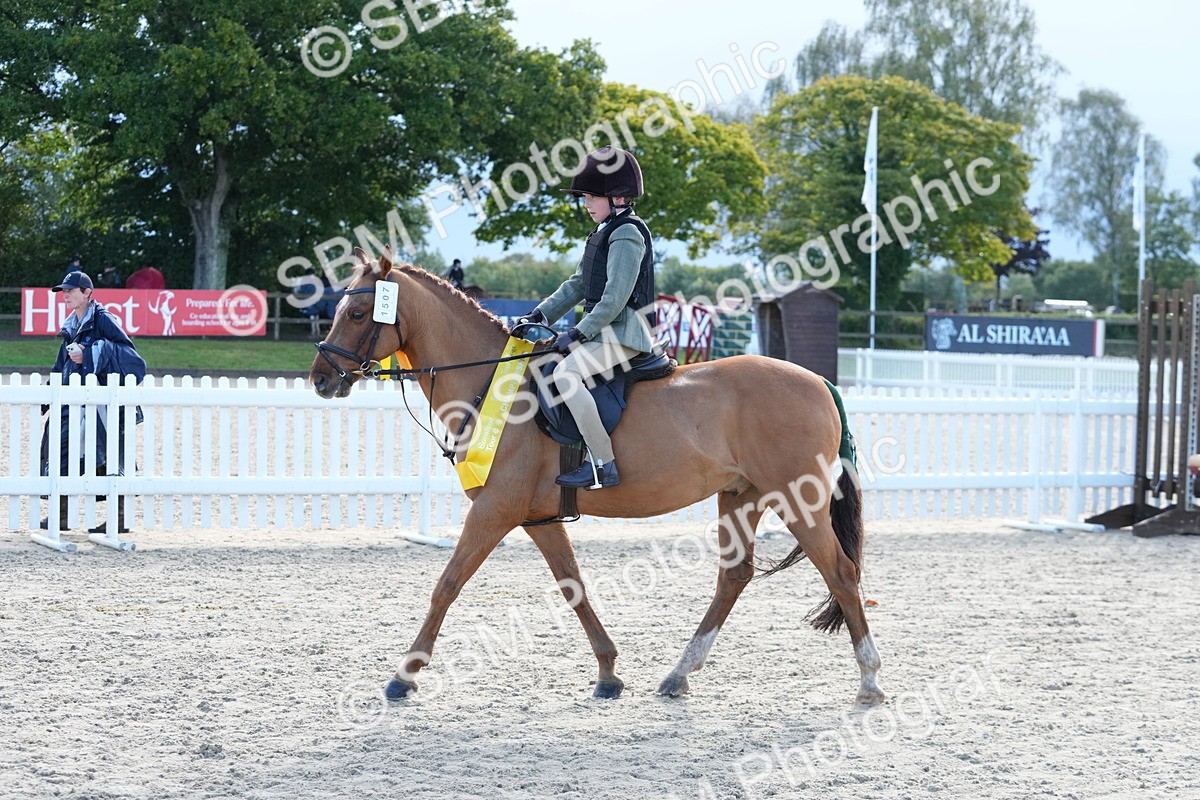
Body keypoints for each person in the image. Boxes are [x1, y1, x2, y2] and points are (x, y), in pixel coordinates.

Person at [514, 146, 656, 489]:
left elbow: (614, 300)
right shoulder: (602, 231)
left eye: (593, 196)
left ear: (619, 197)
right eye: (585, 196)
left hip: (624, 334)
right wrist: (540, 313)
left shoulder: (627, 233)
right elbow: (578, 284)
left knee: (565, 376)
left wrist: (578, 333)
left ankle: (603, 464)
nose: (586, 203)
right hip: (603, 332)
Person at [40, 270, 147, 533]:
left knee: (110, 456)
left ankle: (120, 519)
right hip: (72, 401)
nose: (65, 295)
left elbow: (132, 358)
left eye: (70, 290)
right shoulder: (70, 325)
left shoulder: (104, 319)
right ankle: (62, 515)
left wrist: (91, 354)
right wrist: (47, 395)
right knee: (60, 448)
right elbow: (60, 364)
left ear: (87, 293)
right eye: (63, 291)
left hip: (102, 404)